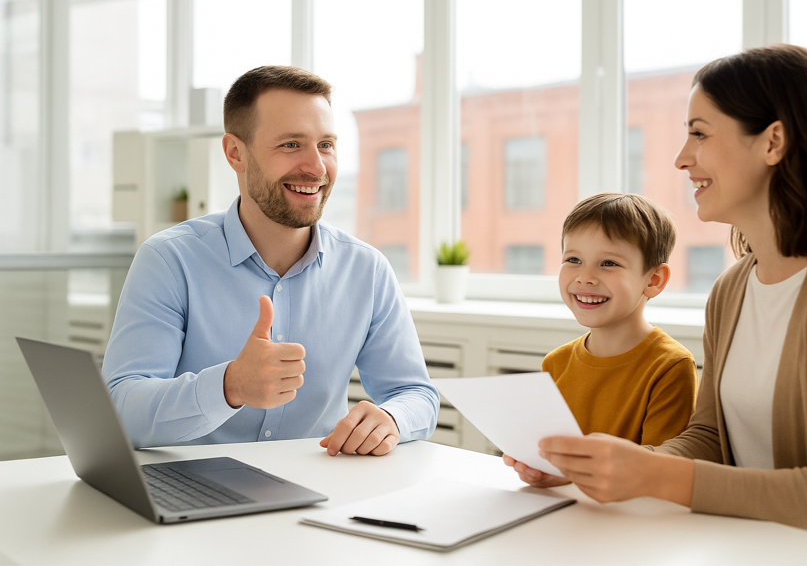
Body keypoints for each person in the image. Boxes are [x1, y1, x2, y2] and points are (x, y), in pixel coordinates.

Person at [536, 44, 807, 562]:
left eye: (699, 133)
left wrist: (654, 473)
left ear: (773, 141)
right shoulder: (733, 289)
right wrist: (599, 465)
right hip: (759, 550)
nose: (682, 158)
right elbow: (709, 436)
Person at [102, 65, 439, 457]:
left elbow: (416, 394)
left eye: (326, 145)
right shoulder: (169, 260)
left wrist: (392, 419)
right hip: (195, 493)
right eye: (291, 145)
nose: (316, 168)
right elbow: (120, 408)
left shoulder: (367, 269)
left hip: (322, 493)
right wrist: (229, 386)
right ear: (235, 153)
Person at [504, 192, 698, 488]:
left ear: (654, 280)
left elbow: (662, 468)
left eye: (608, 263)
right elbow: (555, 459)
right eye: (573, 259)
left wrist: (571, 474)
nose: (585, 277)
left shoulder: (671, 366)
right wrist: (540, 468)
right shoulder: (556, 363)